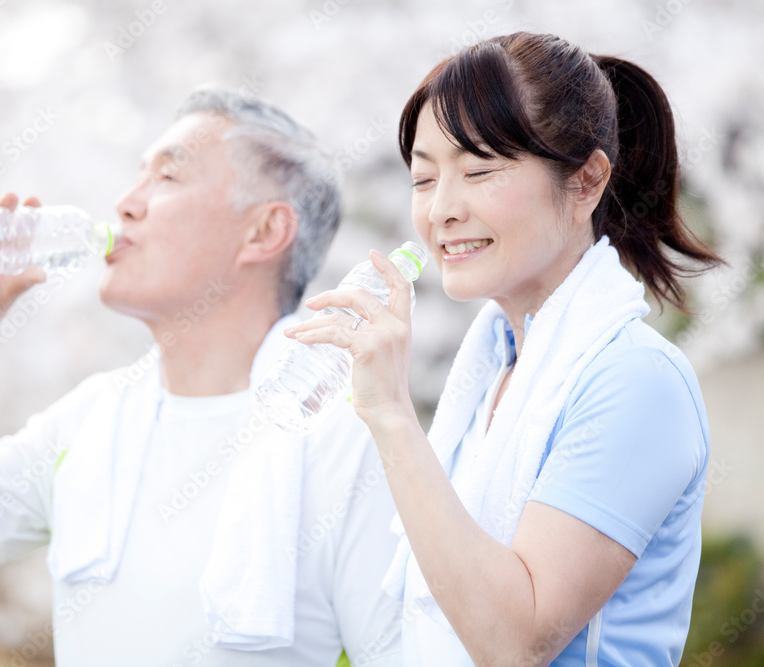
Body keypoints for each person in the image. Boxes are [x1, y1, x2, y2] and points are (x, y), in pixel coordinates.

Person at [0, 86, 402, 666]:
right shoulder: (92, 418)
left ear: (264, 233)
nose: (124, 203)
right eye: (136, 176)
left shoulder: (350, 439)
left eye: (167, 177)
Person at [285, 32, 721, 665]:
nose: (441, 210)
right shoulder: (492, 371)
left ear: (587, 182)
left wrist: (391, 415)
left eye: (479, 172)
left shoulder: (636, 381)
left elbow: (516, 642)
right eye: (424, 178)